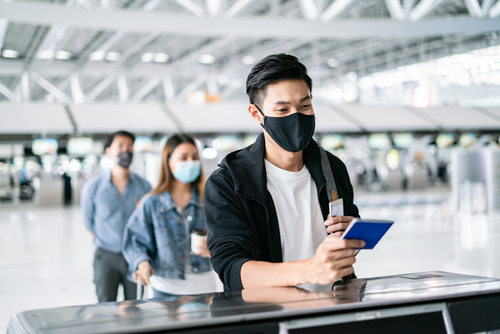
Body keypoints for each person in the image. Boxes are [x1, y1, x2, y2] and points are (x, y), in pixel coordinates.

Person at [205, 54, 365, 292]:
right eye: (282, 109)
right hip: (273, 318)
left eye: (304, 106)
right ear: (256, 114)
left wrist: (354, 235)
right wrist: (310, 269)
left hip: (335, 308)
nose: (296, 117)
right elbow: (232, 269)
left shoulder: (332, 169)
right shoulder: (229, 183)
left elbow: (348, 232)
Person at [122, 134, 221, 298]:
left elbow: (228, 236)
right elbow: (135, 240)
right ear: (168, 162)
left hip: (206, 287)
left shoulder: (210, 200)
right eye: (183, 157)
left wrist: (217, 247)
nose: (191, 162)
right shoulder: (152, 203)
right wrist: (142, 262)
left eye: (194, 157)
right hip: (165, 290)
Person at [81, 130, 152, 302]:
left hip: (136, 257)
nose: (125, 150)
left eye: (129, 146)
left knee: (136, 307)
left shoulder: (144, 186)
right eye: (119, 146)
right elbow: (89, 223)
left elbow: (150, 221)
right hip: (106, 256)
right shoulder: (94, 187)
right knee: (106, 306)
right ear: (108, 151)